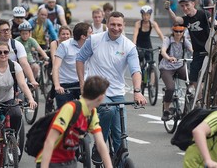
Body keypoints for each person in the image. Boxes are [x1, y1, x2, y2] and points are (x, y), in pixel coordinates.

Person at [76, 11, 147, 159]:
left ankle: (120, 160)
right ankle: (99, 145)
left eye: (119, 25)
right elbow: (80, 59)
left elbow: (135, 71)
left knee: (121, 136)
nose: (116, 28)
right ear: (107, 24)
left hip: (117, 92)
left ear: (124, 25)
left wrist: (137, 91)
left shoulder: (129, 46)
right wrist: (82, 84)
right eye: (113, 24)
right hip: (96, 91)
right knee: (108, 111)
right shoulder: (94, 40)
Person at [0, 42, 37, 168]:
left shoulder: (14, 66)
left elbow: (22, 84)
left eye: (5, 52)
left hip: (8, 100)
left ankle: (12, 139)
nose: (3, 55)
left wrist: (31, 99)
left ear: (9, 53)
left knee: (17, 114)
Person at [39, 76, 113, 168]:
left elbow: (101, 144)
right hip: (52, 160)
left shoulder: (92, 112)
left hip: (69, 160)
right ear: (101, 97)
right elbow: (50, 141)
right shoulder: (70, 109)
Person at [166, 0, 211, 99]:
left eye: (187, 5)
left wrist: (214, 22)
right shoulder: (186, 19)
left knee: (208, 77)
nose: (185, 8)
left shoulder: (203, 14)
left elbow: (212, 21)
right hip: (197, 53)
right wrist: (168, 9)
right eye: (182, 6)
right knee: (194, 79)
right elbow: (176, 20)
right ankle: (199, 100)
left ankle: (206, 97)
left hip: (210, 51)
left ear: (193, 4)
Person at [0, 19, 39, 88]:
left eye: (8, 30)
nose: (6, 32)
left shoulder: (17, 45)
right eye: (3, 31)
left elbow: (24, 63)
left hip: (14, 77)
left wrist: (32, 80)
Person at [53, 22, 92, 109]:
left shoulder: (91, 46)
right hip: (65, 83)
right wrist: (57, 85)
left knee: (91, 108)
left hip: (83, 82)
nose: (93, 35)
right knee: (64, 111)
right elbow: (56, 67)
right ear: (83, 36)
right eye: (90, 33)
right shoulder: (64, 46)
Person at [160, 24, 192, 121]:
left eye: (181, 31)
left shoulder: (185, 41)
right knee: (170, 88)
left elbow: (191, 50)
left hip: (179, 66)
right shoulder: (168, 40)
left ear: (183, 32)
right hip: (166, 67)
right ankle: (166, 110)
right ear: (173, 31)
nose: (178, 33)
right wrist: (169, 58)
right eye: (176, 31)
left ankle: (187, 108)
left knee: (191, 81)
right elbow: (163, 51)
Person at [132, 5, 164, 70]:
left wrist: (165, 43)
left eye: (147, 15)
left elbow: (159, 33)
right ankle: (140, 74)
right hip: (139, 43)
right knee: (140, 58)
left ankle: (151, 76)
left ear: (150, 15)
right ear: (141, 15)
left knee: (150, 60)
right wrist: (134, 45)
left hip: (147, 43)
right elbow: (135, 35)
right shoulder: (138, 24)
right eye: (144, 15)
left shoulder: (153, 24)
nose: (145, 17)